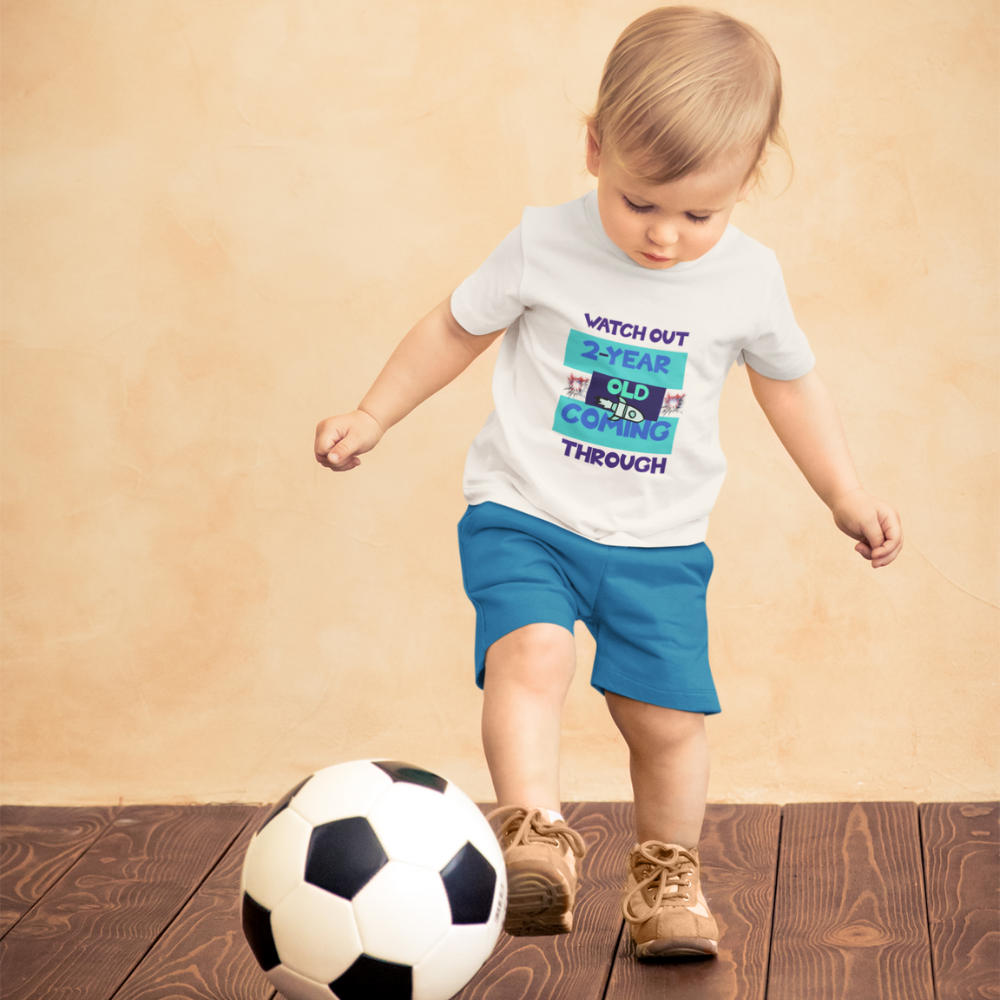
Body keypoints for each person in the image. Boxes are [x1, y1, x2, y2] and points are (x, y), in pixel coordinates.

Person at [314, 5, 902, 960]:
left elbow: (791, 387)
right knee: (533, 654)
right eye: (639, 203)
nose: (664, 236)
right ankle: (533, 835)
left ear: (747, 181)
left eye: (698, 215)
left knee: (666, 723)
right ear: (595, 149)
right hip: (527, 514)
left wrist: (845, 493)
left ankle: (667, 878)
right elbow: (454, 327)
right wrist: (375, 412)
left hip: (659, 545)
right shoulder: (543, 243)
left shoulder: (748, 279)